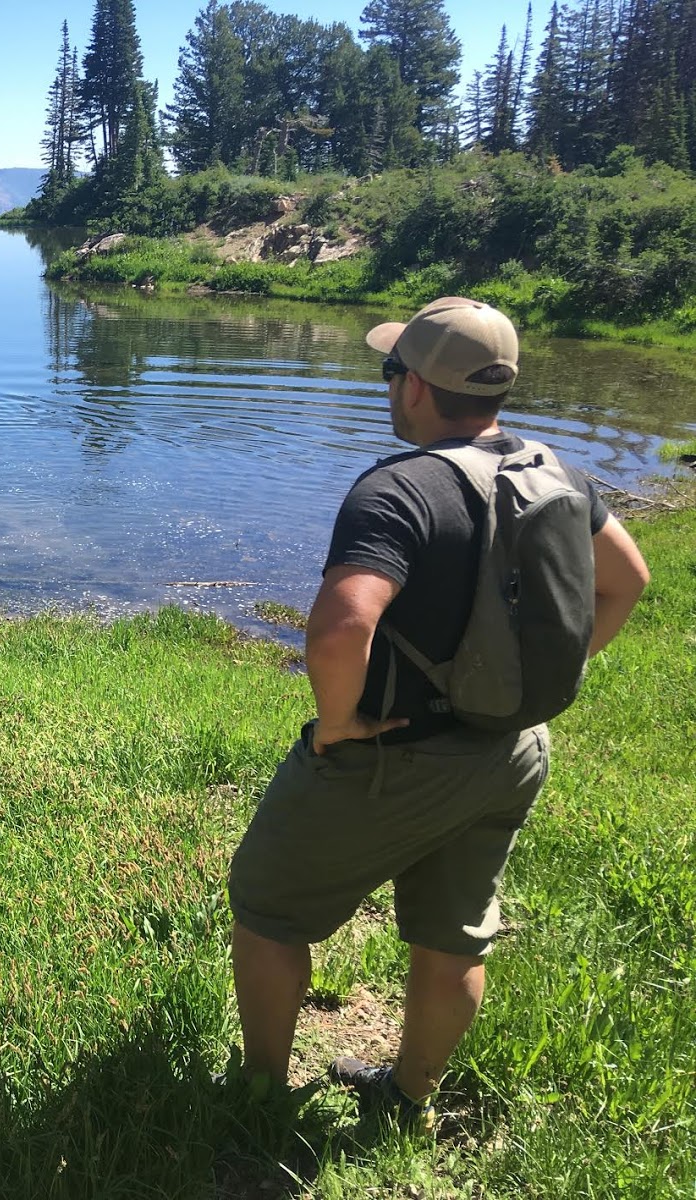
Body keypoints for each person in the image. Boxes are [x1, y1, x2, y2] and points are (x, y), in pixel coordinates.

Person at [225, 297, 651, 1129]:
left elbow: (345, 623)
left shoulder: (399, 490)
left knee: (268, 908)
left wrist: (338, 723)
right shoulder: (552, 469)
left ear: (417, 387)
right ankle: (409, 1097)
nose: (388, 386)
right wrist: (542, 675)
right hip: (512, 749)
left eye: (391, 372)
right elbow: (627, 580)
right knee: (455, 930)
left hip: (393, 757)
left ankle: (259, 1099)